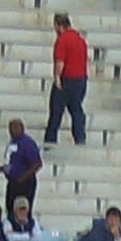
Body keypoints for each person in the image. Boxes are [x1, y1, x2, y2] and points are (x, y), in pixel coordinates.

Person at [44, 12, 89, 146]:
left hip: (67, 79)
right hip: (81, 80)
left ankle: (50, 142)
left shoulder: (62, 40)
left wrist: (57, 78)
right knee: (76, 110)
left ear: (59, 26)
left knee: (56, 112)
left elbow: (60, 62)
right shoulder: (80, 39)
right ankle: (80, 139)